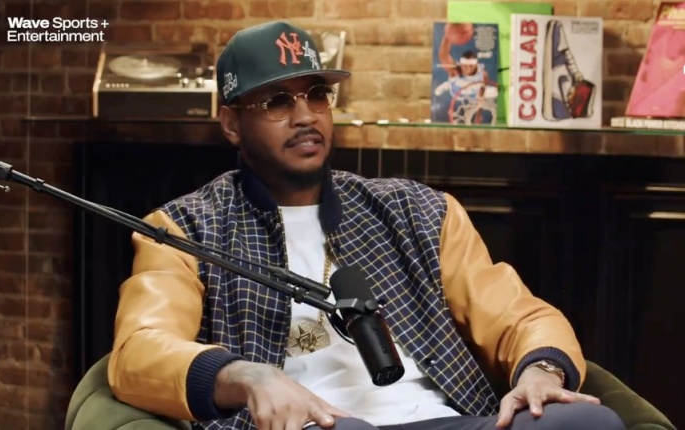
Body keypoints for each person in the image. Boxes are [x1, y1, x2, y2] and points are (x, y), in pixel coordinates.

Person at [107, 21, 625, 430]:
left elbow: (518, 316)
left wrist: (541, 371)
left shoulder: (417, 211)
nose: (306, 116)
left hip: (449, 419)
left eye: (316, 94)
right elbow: (140, 350)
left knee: (590, 422)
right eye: (277, 101)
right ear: (231, 124)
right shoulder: (185, 229)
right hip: (321, 423)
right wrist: (244, 375)